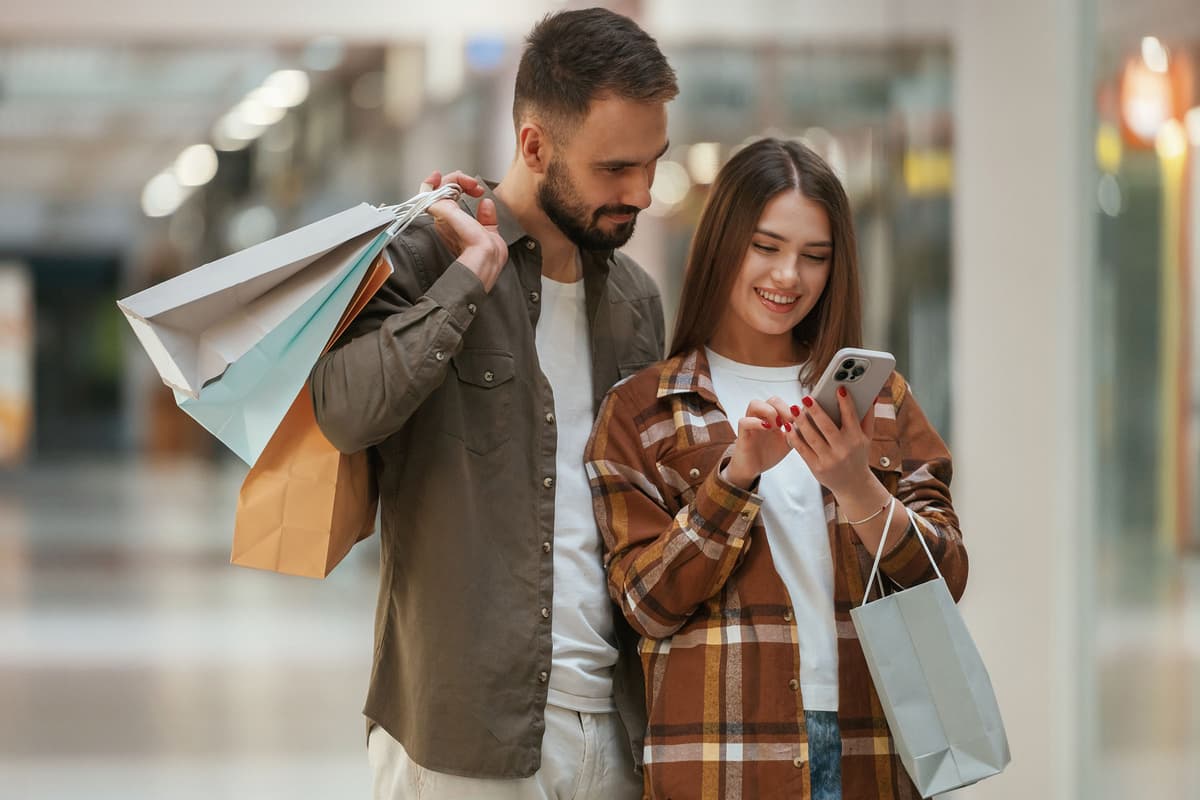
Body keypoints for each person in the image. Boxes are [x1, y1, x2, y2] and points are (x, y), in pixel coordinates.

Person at [309, 8, 677, 799]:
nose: (642, 192)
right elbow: (343, 411)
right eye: (616, 168)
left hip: (617, 725)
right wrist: (464, 285)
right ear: (535, 145)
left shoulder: (638, 301)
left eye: (654, 163)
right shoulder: (421, 254)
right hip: (463, 730)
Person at [584, 138, 969, 800]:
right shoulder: (642, 410)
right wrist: (734, 479)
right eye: (766, 247)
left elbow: (946, 579)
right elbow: (646, 604)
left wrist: (857, 487)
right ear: (723, 243)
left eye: (814, 256)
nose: (788, 276)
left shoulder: (877, 401)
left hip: (867, 745)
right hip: (719, 757)